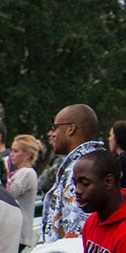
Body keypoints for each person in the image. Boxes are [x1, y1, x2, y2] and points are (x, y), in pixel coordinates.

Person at [39, 104, 107, 243]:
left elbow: (77, 232)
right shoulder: (91, 161)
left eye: (55, 128)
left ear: (71, 129)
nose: (51, 134)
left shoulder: (81, 168)